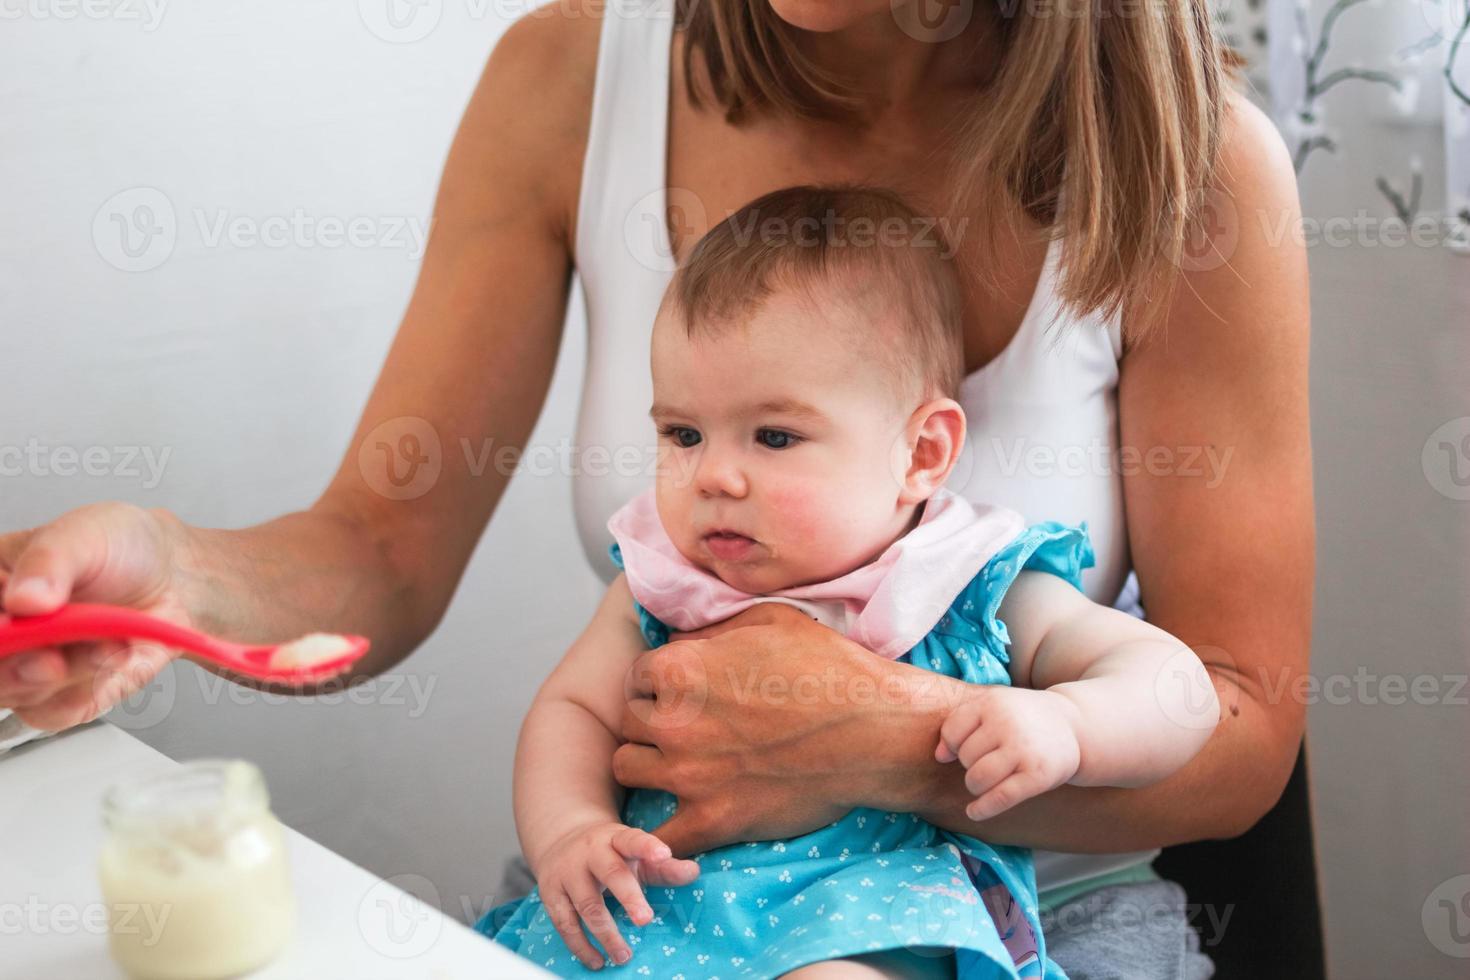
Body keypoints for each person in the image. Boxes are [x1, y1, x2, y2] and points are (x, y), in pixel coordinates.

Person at [0, 1, 1313, 975]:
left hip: (1019, 906)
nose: (715, 475)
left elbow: (1235, 729)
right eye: (680, 432)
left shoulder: (1190, 172)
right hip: (660, 887)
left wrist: (881, 743)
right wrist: (171, 573)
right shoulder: (570, 75)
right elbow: (377, 551)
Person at [480, 184, 1221, 979]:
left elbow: (1177, 687)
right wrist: (571, 829)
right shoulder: (665, 579)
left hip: (871, 921)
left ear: (923, 454)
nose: (714, 476)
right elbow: (573, 709)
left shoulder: (967, 578)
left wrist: (1071, 725)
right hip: (663, 911)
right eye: (683, 433)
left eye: (775, 436)